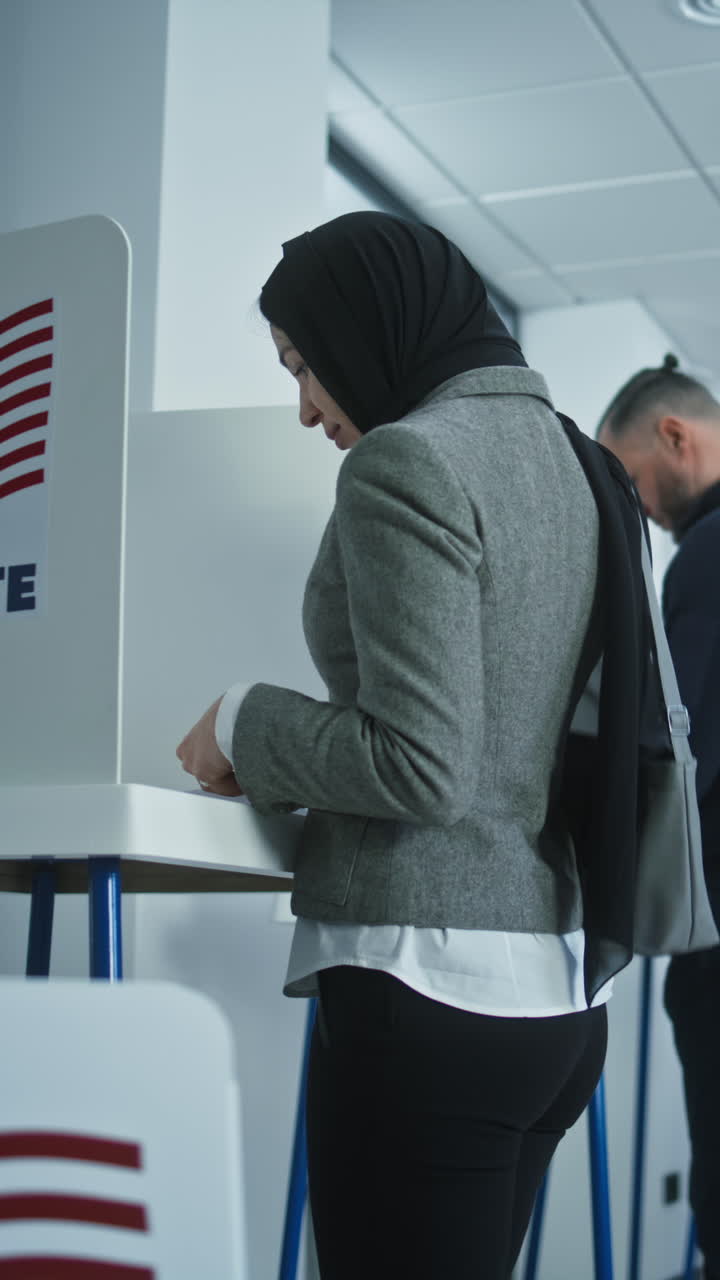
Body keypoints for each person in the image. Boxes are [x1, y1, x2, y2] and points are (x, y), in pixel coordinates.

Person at [177, 212, 614, 1279]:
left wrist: (243, 718)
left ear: (362, 328)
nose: (304, 407)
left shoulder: (407, 463)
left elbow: (421, 761)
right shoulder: (581, 466)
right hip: (558, 998)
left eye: (304, 365)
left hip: (430, 986)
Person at [598, 355, 720, 1280]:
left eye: (629, 477)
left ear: (675, 438)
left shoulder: (705, 561)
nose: (636, 508)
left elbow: (673, 746)